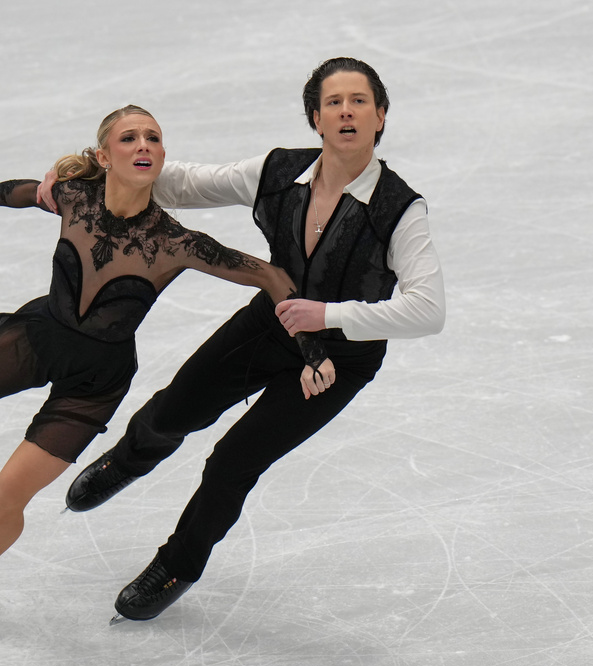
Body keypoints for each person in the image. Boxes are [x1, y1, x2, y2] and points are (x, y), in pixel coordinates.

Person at [0, 105, 334, 637]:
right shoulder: (74, 196)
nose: (144, 145)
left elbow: (271, 277)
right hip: (35, 339)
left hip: (97, 379)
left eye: (154, 138)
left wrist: (310, 346)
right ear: (105, 155)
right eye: (129, 138)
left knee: (9, 492)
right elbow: (22, 192)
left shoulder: (176, 242)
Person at [39, 58, 446, 622]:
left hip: (340, 359)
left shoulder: (399, 209)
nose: (346, 112)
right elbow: (182, 182)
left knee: (233, 462)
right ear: (316, 117)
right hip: (267, 326)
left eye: (360, 101)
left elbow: (428, 310)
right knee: (172, 410)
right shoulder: (277, 172)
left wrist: (329, 315)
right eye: (333, 102)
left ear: (380, 116)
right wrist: (83, 173)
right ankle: (129, 459)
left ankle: (177, 565)